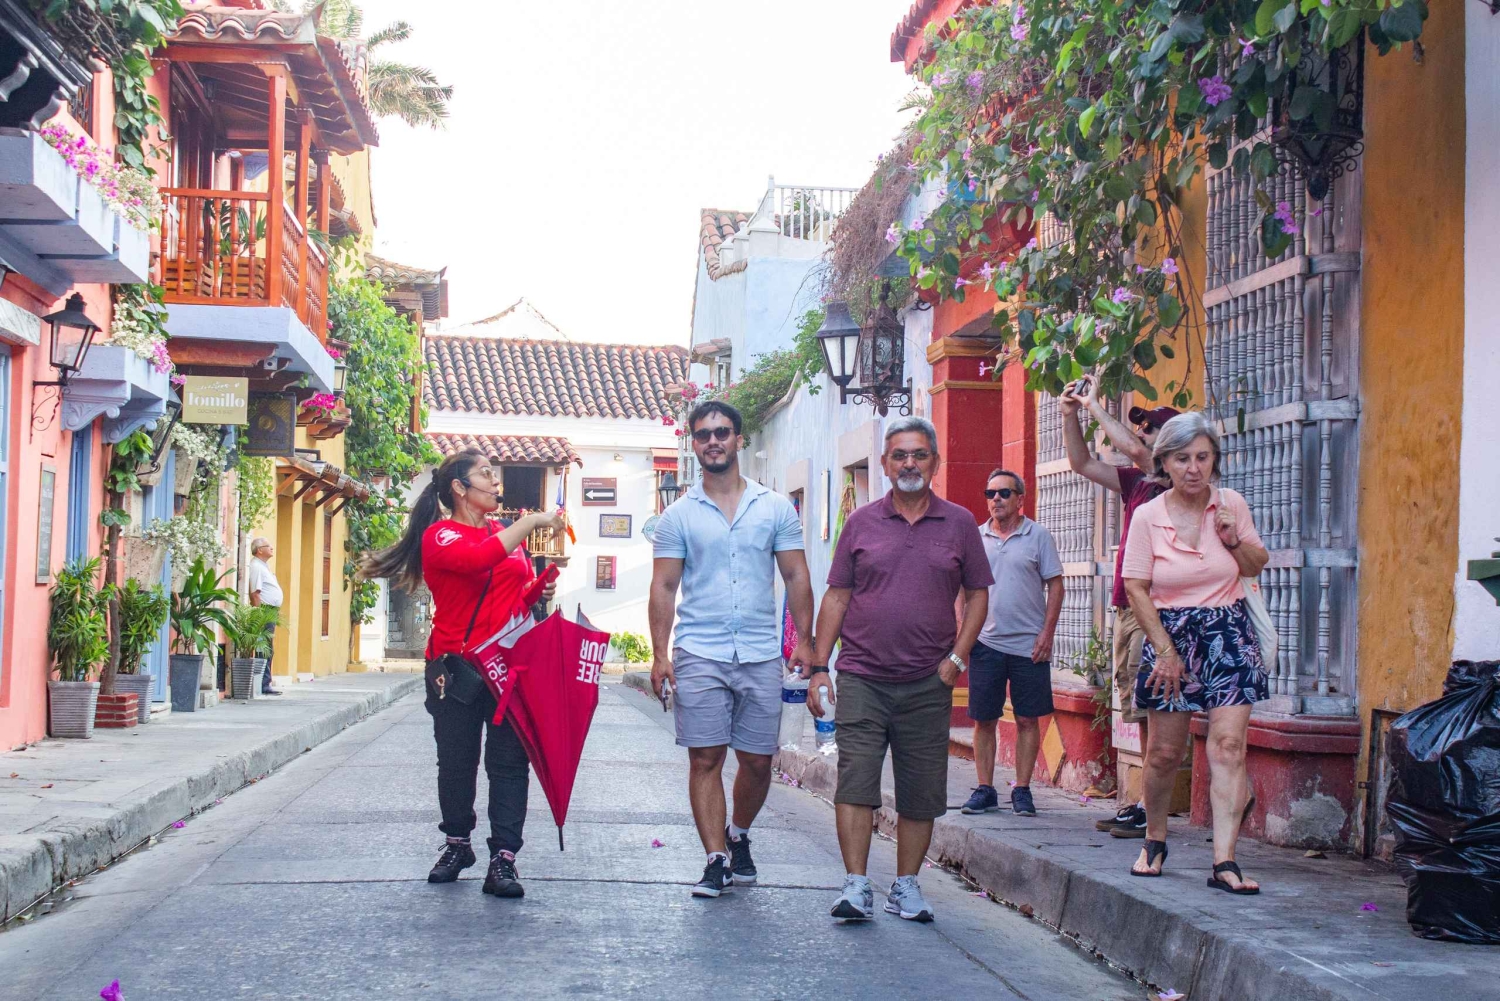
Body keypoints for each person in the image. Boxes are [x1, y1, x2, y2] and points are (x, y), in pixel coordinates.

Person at [807, 416, 992, 923]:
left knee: (921, 788)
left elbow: (978, 596)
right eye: (899, 455)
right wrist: (820, 666)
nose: (910, 463)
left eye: (919, 454)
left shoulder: (959, 523)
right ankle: (856, 885)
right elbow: (837, 596)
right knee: (855, 780)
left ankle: (906, 886)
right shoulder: (861, 523)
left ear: (935, 462)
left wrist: (957, 659)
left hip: (928, 682)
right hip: (862, 676)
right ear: (886, 465)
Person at [362, 450, 562, 899]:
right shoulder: (442, 535)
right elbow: (477, 562)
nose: (495, 482)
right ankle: (457, 844)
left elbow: (512, 598)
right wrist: (531, 522)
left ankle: (503, 858)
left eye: (494, 474)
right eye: (485, 474)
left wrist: (538, 589)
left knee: (509, 763)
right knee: (457, 762)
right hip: (457, 669)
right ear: (459, 487)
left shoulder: (501, 532)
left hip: (508, 667)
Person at [649, 400, 816, 900]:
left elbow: (795, 575)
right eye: (703, 435)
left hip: (761, 652)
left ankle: (738, 833)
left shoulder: (775, 507)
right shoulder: (678, 515)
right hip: (700, 650)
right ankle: (715, 858)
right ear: (694, 444)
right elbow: (664, 587)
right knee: (705, 758)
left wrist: (805, 641)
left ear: (738, 439)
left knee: (759, 761)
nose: (713, 441)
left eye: (722, 432)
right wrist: (660, 654)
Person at [1120, 412, 1269, 894]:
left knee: (1228, 746)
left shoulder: (1231, 505)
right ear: (1164, 461)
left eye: (1203, 457)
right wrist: (1165, 650)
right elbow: (1135, 586)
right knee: (1164, 752)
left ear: (1214, 460)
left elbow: (1255, 564)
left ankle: (1225, 860)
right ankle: (1155, 839)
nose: (1193, 468)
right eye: (1182, 458)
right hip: (1171, 633)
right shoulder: (1148, 515)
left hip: (1229, 631)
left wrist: (1233, 540)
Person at [1058, 379, 1179, 837]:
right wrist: (1069, 414)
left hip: (1158, 608)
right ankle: (1146, 804)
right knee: (1141, 708)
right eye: (1142, 427)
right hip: (1129, 608)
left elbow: (1136, 450)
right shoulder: (1137, 483)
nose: (1142, 433)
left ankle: (1151, 807)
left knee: (1154, 710)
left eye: (1151, 428)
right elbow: (1082, 463)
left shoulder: (1169, 477)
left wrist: (1093, 404)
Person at [959, 470, 1063, 818]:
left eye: (1004, 493)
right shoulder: (976, 538)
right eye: (990, 493)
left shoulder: (1038, 536)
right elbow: (962, 588)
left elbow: (1056, 586)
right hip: (985, 642)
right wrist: (962, 631)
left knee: (1027, 719)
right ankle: (985, 789)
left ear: (1021, 499)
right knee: (983, 719)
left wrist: (1047, 633)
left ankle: (1022, 789)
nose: (996, 499)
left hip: (1028, 646)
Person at [246, 537, 284, 695]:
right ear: (259, 550)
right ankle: (263, 683)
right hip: (264, 610)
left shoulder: (263, 566)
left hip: (270, 610)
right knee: (265, 647)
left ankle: (265, 682)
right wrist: (259, 614)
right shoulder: (256, 566)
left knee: (268, 647)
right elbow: (255, 593)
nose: (271, 548)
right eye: (268, 546)